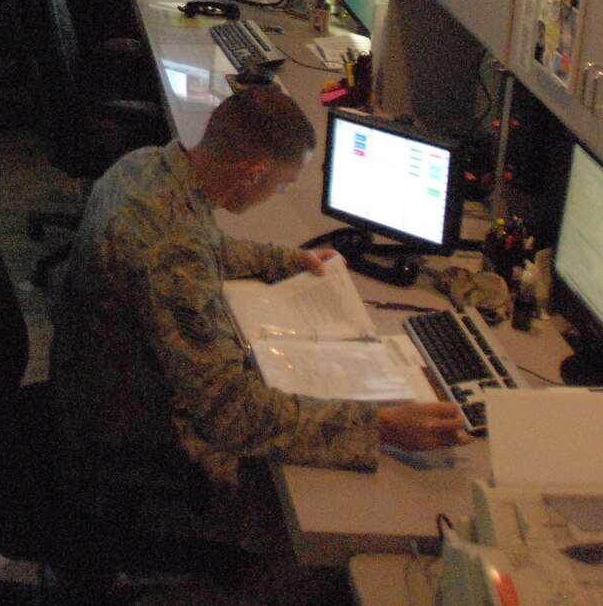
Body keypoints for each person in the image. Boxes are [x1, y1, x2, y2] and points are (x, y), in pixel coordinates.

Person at [50, 82, 467, 580]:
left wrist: (287, 260)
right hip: (131, 459)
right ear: (254, 173)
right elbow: (232, 416)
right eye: (283, 185)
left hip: (90, 402)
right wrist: (381, 427)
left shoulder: (146, 168)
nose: (280, 195)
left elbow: (206, 246)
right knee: (322, 524)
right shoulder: (172, 251)